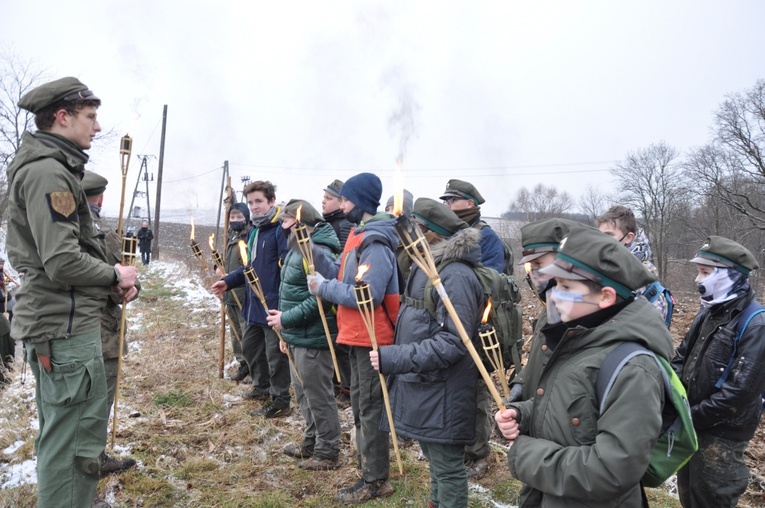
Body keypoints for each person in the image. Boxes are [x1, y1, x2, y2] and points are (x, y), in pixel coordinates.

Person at [6, 77, 137, 507]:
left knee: (66, 437)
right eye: (90, 117)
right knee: (75, 445)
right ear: (62, 117)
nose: (97, 128)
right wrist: (114, 274)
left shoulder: (52, 167)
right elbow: (61, 262)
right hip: (64, 326)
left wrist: (107, 279)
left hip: (61, 319)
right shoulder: (49, 173)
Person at [495, 225, 672, 507]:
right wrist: (522, 414)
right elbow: (572, 408)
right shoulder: (578, 340)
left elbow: (613, 470)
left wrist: (527, 455)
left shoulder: (634, 368)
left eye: (566, 287)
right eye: (554, 285)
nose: (553, 295)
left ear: (605, 296)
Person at [371, 198, 483, 508]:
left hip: (444, 389)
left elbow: (453, 341)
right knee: (436, 463)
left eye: (416, 229)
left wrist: (394, 358)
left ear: (432, 234)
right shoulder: (425, 267)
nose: (409, 236)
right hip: (424, 384)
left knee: (447, 468)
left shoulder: (455, 275)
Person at [307, 172, 399, 503]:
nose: (341, 204)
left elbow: (368, 295)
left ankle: (376, 480)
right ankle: (369, 469)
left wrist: (324, 288)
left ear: (359, 202)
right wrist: (324, 272)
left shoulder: (375, 241)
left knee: (370, 409)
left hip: (374, 338)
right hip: (358, 336)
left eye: (345, 199)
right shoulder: (360, 236)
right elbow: (348, 277)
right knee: (361, 406)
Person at [671, 236, 765, 508]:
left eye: (705, 272)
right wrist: (672, 400)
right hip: (693, 426)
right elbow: (681, 358)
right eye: (697, 271)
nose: (698, 280)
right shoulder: (709, 311)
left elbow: (740, 393)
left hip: (722, 437)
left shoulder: (755, 323)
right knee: (689, 494)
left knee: (712, 498)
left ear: (730, 275)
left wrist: (691, 417)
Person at [266, 199, 342, 471]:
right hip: (296, 336)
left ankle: (328, 451)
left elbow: (321, 299)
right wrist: (284, 328)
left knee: (318, 395)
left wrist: (285, 319)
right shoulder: (295, 251)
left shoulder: (317, 253)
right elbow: (294, 293)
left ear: (299, 223)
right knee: (302, 394)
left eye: (285, 221)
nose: (282, 227)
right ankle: (311, 441)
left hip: (314, 338)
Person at [440, 178, 505, 478]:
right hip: (451, 320)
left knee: (477, 390)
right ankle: (460, 444)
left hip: (479, 323)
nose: (447, 205)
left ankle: (479, 452)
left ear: (470, 203)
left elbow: (490, 279)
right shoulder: (451, 233)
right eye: (445, 201)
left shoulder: (486, 236)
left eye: (452, 200)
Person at [212, 181, 291, 418]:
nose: (254, 207)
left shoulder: (280, 230)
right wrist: (229, 281)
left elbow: (287, 270)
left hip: (272, 306)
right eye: (251, 202)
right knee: (251, 348)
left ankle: (280, 401)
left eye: (259, 202)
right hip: (253, 304)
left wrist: (281, 303)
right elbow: (250, 268)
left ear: (271, 202)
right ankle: (261, 386)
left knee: (275, 356)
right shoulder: (255, 231)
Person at [82, 170, 140, 477]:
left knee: (90, 403)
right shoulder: (92, 237)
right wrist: (118, 285)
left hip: (93, 330)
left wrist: (129, 287)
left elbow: (129, 278)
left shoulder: (104, 235)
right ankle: (89, 462)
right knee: (94, 403)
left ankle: (90, 456)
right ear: (101, 198)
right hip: (97, 333)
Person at [509, 218, 579, 403]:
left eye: (539, 265)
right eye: (530, 267)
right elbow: (543, 358)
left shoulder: (580, 313)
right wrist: (522, 382)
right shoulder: (551, 306)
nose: (533, 274)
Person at [596, 205, 670, 323]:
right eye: (599, 235)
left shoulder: (642, 276)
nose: (601, 241)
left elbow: (652, 331)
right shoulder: (608, 266)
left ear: (628, 238)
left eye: (609, 235)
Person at [321, 179, 353, 408]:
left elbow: (340, 263)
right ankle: (335, 381)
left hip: (336, 291)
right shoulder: (328, 223)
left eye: (329, 198)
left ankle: (347, 388)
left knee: (342, 344)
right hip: (326, 289)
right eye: (324, 196)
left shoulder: (344, 226)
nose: (323, 201)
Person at [219, 202, 251, 382]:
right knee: (235, 333)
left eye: (239, 217)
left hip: (243, 293)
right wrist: (218, 267)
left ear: (246, 218)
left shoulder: (248, 238)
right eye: (232, 217)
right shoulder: (229, 237)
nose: (235, 220)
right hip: (229, 294)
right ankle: (242, 364)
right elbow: (225, 261)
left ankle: (253, 366)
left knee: (246, 332)